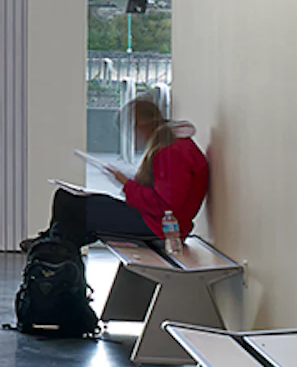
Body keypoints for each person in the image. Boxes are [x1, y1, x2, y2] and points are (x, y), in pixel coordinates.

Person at [38, 92, 209, 250]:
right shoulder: (170, 147)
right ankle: (52, 246)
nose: (132, 137)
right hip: (153, 221)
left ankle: (51, 248)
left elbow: (164, 206)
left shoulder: (171, 152)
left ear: (141, 126)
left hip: (158, 227)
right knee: (68, 202)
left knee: (70, 205)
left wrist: (126, 184)